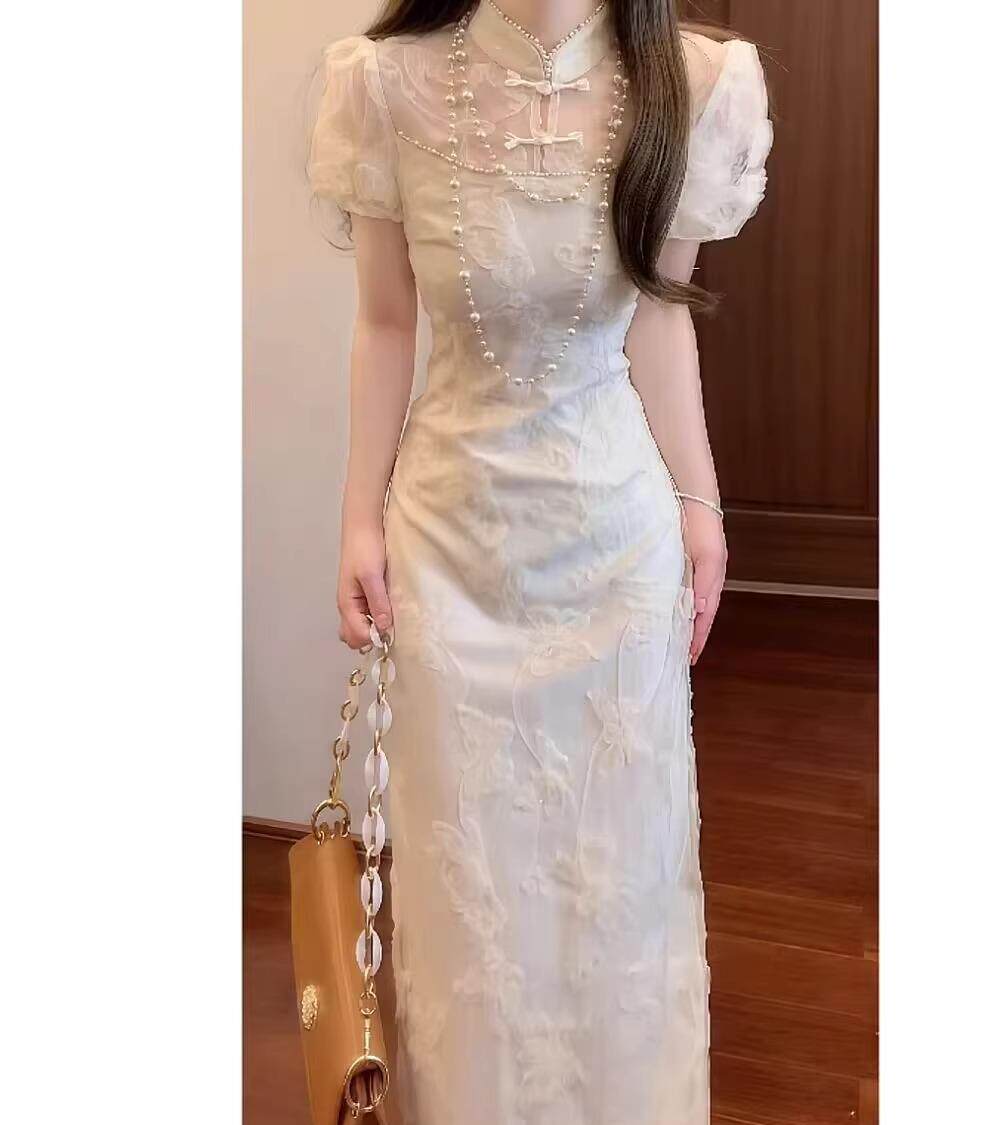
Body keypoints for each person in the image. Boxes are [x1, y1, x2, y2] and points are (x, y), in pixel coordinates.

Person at [309, 0, 771, 1120]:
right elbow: (385, 322)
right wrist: (359, 517)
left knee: (618, 881)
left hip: (614, 550)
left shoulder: (695, 84)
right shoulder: (382, 83)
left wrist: (700, 504)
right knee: (468, 888)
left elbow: (660, 318)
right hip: (448, 547)